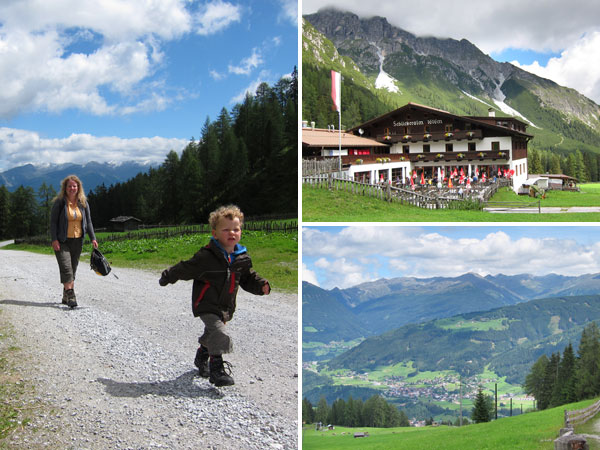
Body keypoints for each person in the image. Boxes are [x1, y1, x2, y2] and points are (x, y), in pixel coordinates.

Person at [158, 205, 270, 387]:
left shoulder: (241, 257)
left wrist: (261, 285)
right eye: (226, 229)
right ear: (215, 233)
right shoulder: (206, 256)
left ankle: (202, 355)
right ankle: (216, 370)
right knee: (219, 332)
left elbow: (247, 277)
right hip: (206, 303)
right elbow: (185, 268)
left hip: (226, 305)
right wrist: (167, 276)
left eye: (236, 229)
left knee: (212, 333)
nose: (231, 233)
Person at [50, 175, 98, 308]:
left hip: (78, 241)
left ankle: (66, 295)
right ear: (65, 188)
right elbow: (53, 222)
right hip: (62, 240)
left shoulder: (83, 202)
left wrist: (93, 238)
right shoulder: (59, 202)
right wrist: (54, 239)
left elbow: (88, 222)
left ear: (78, 188)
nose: (72, 188)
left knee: (73, 269)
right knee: (66, 268)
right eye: (69, 186)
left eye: (74, 186)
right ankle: (71, 296)